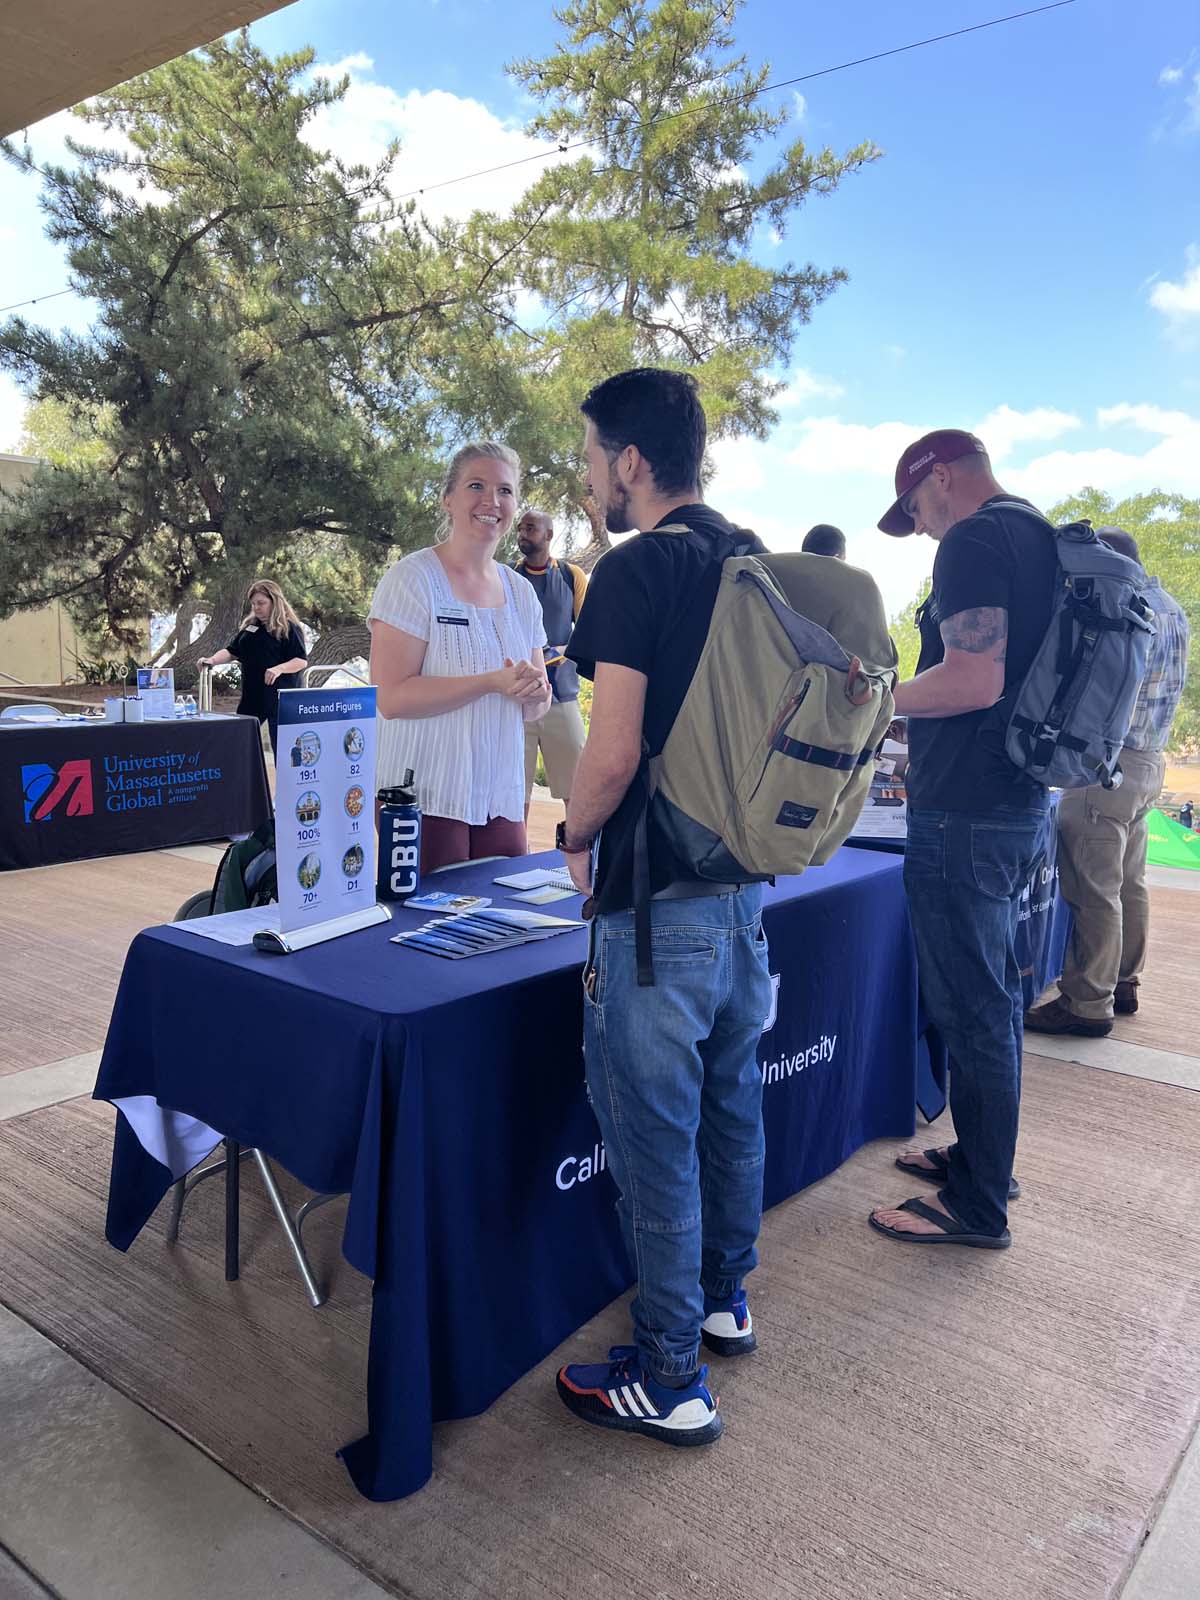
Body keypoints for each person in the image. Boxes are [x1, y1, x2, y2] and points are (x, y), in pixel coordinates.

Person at [553, 368, 774, 1449]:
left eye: (594, 457)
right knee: (733, 1107)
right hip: (741, 897)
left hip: (653, 909)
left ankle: (672, 1373)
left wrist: (574, 836)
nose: (592, 476)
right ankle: (729, 1299)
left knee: (655, 1136)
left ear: (632, 462)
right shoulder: (754, 560)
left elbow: (614, 748)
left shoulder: (634, 569)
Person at [870, 430, 1058, 1250]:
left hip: (967, 810)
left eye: (916, 508)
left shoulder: (977, 540)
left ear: (940, 478)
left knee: (973, 1006)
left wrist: (875, 703)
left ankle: (979, 1205)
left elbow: (972, 678)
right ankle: (984, 1158)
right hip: (1017, 800)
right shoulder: (1036, 533)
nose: (921, 527)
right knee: (993, 999)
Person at [1025, 528, 1189, 1033]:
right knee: (1131, 882)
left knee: (1095, 889)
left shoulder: (1124, 605)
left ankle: (1087, 1003)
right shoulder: (1174, 609)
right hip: (1150, 762)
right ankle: (1124, 982)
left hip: (1107, 768)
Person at [367, 441, 551, 874]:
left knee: (504, 931)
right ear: (448, 499)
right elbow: (390, 698)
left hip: (499, 797)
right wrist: (489, 682)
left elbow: (536, 706)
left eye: (505, 491)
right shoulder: (412, 580)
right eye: (476, 486)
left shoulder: (522, 593)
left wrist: (534, 690)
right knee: (423, 934)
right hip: (422, 796)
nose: (492, 501)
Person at [512, 510, 589, 818]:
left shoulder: (572, 575)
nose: (522, 534)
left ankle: (582, 861)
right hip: (516, 700)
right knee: (515, 796)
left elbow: (592, 631)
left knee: (579, 792)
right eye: (519, 529)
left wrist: (557, 653)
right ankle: (516, 861)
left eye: (530, 528)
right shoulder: (505, 576)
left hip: (563, 697)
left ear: (548, 535)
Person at [199, 578, 308, 755]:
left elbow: (301, 661)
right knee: (240, 748)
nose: (257, 608)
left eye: (261, 603)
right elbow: (232, 650)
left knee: (283, 752)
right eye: (254, 604)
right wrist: (211, 660)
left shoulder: (288, 627)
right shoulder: (250, 627)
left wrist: (279, 668)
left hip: (279, 701)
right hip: (252, 698)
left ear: (275, 601)